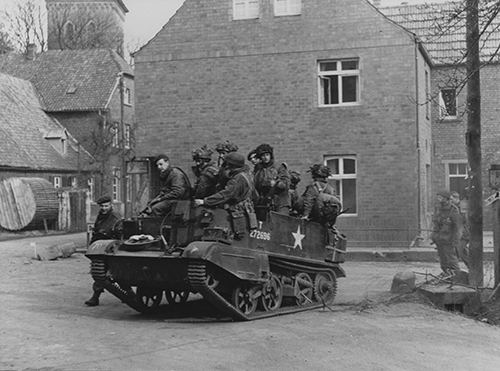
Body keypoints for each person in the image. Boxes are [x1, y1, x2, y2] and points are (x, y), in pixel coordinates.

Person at [85, 195, 121, 307]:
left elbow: (119, 234)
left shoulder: (115, 217)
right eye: (102, 206)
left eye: (106, 206)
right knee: (100, 273)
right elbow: (96, 232)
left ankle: (126, 294)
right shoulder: (100, 216)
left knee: (113, 273)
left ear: (111, 205)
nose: (104, 208)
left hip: (111, 249)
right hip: (100, 248)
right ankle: (96, 297)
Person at [431, 190, 462, 275]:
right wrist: (434, 236)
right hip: (439, 238)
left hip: (449, 239)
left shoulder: (453, 210)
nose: (438, 199)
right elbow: (435, 223)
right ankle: (448, 276)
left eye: (440, 197)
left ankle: (458, 277)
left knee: (452, 260)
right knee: (443, 261)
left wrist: (455, 240)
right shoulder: (437, 208)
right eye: (438, 197)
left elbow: (458, 227)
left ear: (446, 199)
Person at [253, 143, 290, 215]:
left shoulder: (279, 167)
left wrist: (277, 183)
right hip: (265, 202)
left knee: (282, 222)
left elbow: (286, 184)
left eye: (267, 155)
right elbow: (255, 184)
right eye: (263, 156)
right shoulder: (258, 169)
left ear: (270, 155)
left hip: (280, 202)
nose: (265, 157)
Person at [451, 191, 470, 269]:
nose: (450, 202)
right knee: (461, 250)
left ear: (456, 198)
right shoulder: (453, 207)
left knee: (460, 250)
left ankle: (472, 266)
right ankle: (472, 266)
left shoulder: (462, 206)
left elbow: (465, 220)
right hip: (458, 232)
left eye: (452, 200)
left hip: (464, 232)